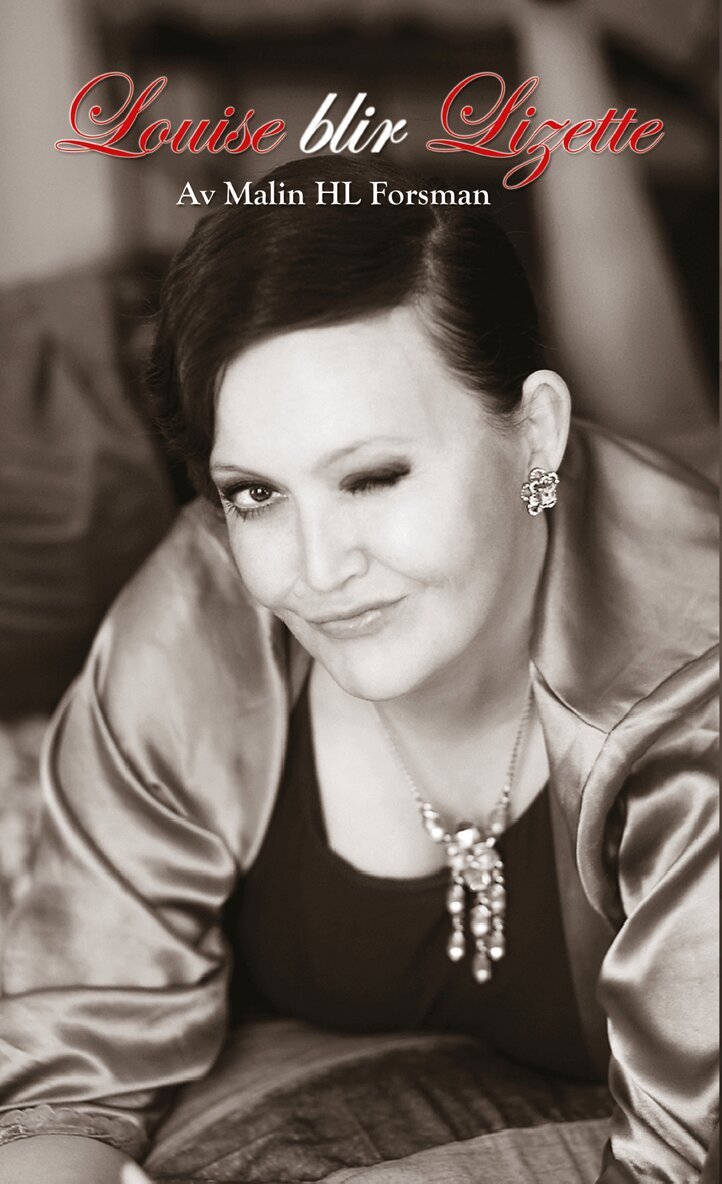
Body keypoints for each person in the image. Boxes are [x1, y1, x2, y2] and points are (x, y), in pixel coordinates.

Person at [0, 156, 717, 1184]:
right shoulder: (211, 606)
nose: (318, 567)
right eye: (255, 493)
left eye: (372, 476)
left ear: (536, 435)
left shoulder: (691, 687)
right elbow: (64, 1073)